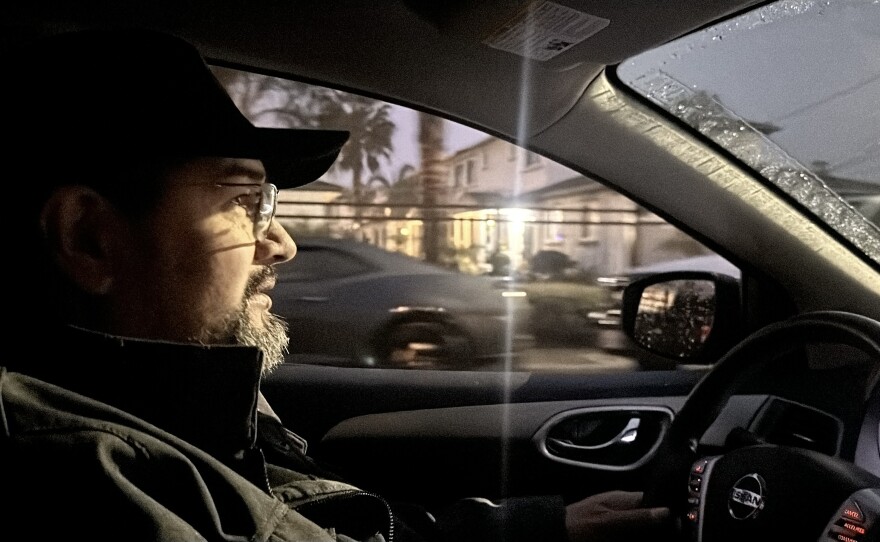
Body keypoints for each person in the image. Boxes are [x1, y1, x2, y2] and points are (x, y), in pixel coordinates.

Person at [0, 28, 672, 541]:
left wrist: (531, 526)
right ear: (89, 238)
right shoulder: (94, 480)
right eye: (244, 201)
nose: (282, 242)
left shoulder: (181, 408)